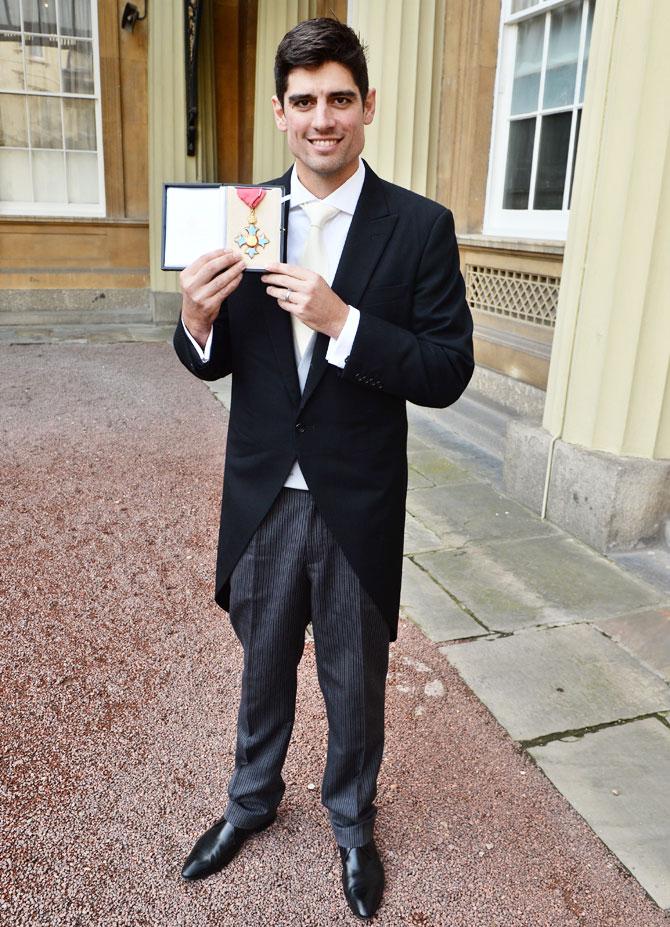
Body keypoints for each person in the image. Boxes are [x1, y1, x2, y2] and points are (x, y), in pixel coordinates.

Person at [173, 17, 473, 920]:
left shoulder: (419, 226)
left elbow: (448, 370)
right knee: (261, 667)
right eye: (303, 101)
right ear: (279, 112)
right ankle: (249, 804)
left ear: (368, 107)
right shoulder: (244, 215)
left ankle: (351, 825)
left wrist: (346, 322)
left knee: (354, 680)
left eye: (340, 99)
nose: (322, 118)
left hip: (356, 501)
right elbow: (215, 358)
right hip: (263, 496)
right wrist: (194, 319)